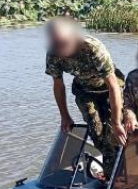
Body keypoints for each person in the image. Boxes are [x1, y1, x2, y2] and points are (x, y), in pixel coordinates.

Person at [45, 17, 124, 179]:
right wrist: (65, 116)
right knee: (96, 132)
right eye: (56, 43)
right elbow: (58, 85)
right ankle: (110, 173)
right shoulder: (53, 53)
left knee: (113, 132)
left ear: (72, 36)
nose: (61, 48)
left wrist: (116, 122)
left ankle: (122, 171)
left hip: (108, 88)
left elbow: (113, 86)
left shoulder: (93, 48)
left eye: (64, 42)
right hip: (85, 91)